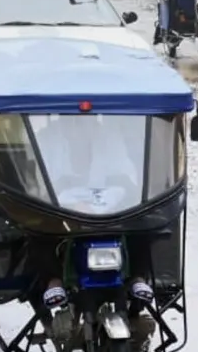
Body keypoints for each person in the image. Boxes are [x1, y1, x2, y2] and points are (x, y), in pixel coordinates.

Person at [30, 115, 156, 309]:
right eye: (74, 118)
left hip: (109, 208)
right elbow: (39, 181)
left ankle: (137, 278)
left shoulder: (110, 138)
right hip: (60, 210)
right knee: (37, 230)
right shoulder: (47, 138)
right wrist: (70, 203)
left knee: (142, 225)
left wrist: (117, 199)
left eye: (85, 119)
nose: (80, 122)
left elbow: (125, 175)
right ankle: (53, 282)